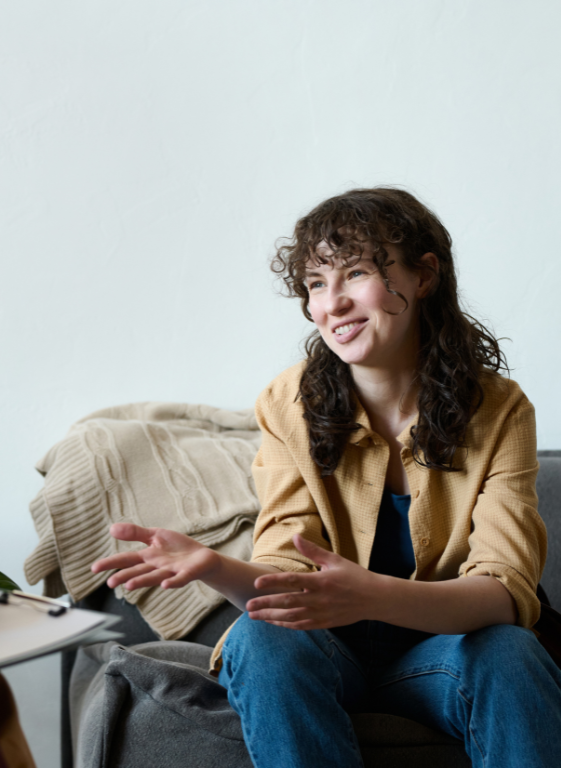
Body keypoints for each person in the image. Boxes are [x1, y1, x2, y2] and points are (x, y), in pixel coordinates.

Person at [92, 187, 561, 766]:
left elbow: (503, 594)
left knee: (510, 652)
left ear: (423, 276)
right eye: (316, 284)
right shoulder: (287, 402)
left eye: (356, 273)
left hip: (441, 659)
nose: (331, 303)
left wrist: (369, 595)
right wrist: (215, 566)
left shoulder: (500, 408)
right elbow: (284, 578)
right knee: (260, 638)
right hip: (328, 656)